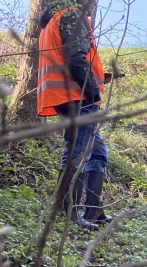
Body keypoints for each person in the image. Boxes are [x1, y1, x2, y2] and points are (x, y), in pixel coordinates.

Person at [37, 0, 110, 231]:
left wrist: (99, 77)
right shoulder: (72, 16)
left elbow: (70, 57)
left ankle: (93, 211)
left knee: (97, 153)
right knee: (78, 152)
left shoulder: (56, 18)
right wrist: (93, 89)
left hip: (69, 95)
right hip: (77, 96)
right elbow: (74, 59)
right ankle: (71, 213)